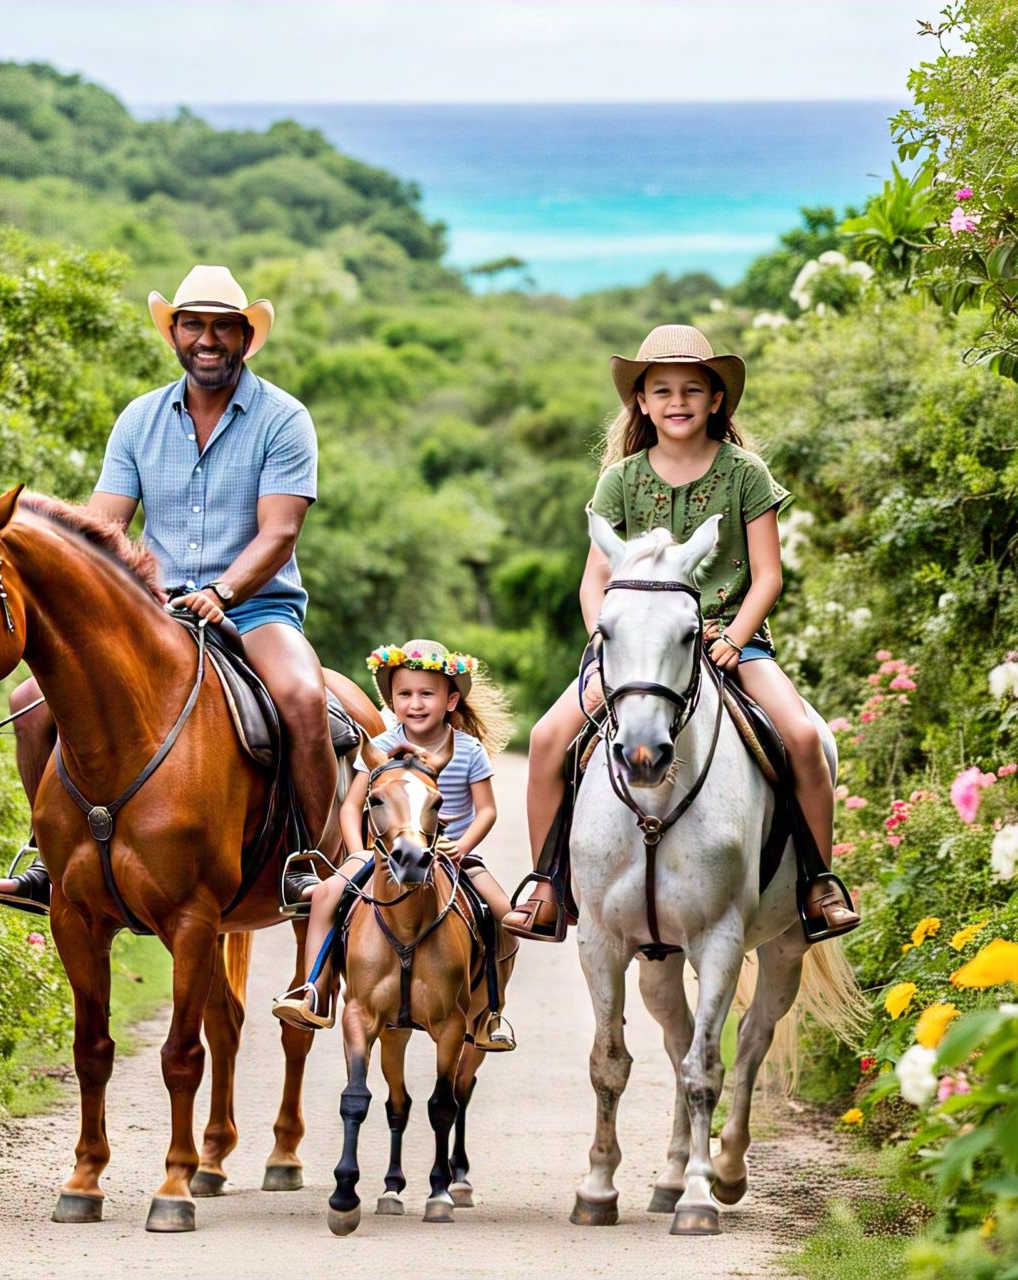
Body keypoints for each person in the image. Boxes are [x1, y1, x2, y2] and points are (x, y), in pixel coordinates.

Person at [0, 265, 335, 915]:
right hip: (152, 611)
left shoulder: (284, 419)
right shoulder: (140, 420)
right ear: (173, 333)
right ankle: (47, 857)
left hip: (255, 606)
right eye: (194, 325)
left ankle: (311, 862)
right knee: (30, 704)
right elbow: (104, 527)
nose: (208, 339)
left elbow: (280, 532)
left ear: (245, 337)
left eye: (222, 327)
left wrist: (224, 592)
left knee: (302, 697)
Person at [503, 324, 860, 943]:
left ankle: (816, 882)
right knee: (545, 738)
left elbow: (768, 576)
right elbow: (595, 581)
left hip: (732, 638)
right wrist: (604, 643)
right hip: (636, 650)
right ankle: (548, 885)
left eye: (692, 389)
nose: (677, 401)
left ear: (716, 399)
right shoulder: (620, 479)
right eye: (661, 389)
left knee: (802, 736)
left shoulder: (745, 473)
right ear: (640, 402)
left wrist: (732, 637)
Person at [271, 638, 517, 1047]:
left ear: (451, 700)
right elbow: (351, 808)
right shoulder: (380, 747)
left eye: (427, 694)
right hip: (385, 855)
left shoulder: (469, 750)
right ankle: (314, 989)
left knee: (504, 915)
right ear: (392, 700)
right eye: (404, 694)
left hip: (451, 854)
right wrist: (357, 852)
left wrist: (463, 844)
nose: (415, 703)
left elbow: (487, 810)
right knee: (327, 893)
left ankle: (491, 1009)